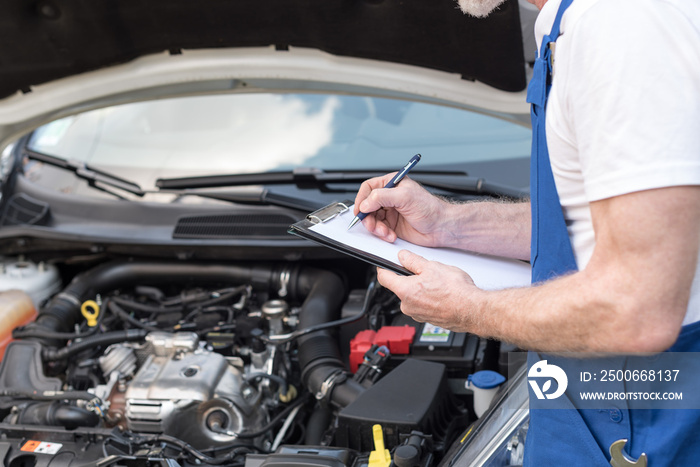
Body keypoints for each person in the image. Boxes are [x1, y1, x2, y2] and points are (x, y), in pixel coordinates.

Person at [353, 0, 700, 464]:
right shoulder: (580, 24)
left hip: (646, 418)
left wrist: (468, 309)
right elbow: (597, 220)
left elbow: (637, 309)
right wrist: (448, 223)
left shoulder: (623, 24)